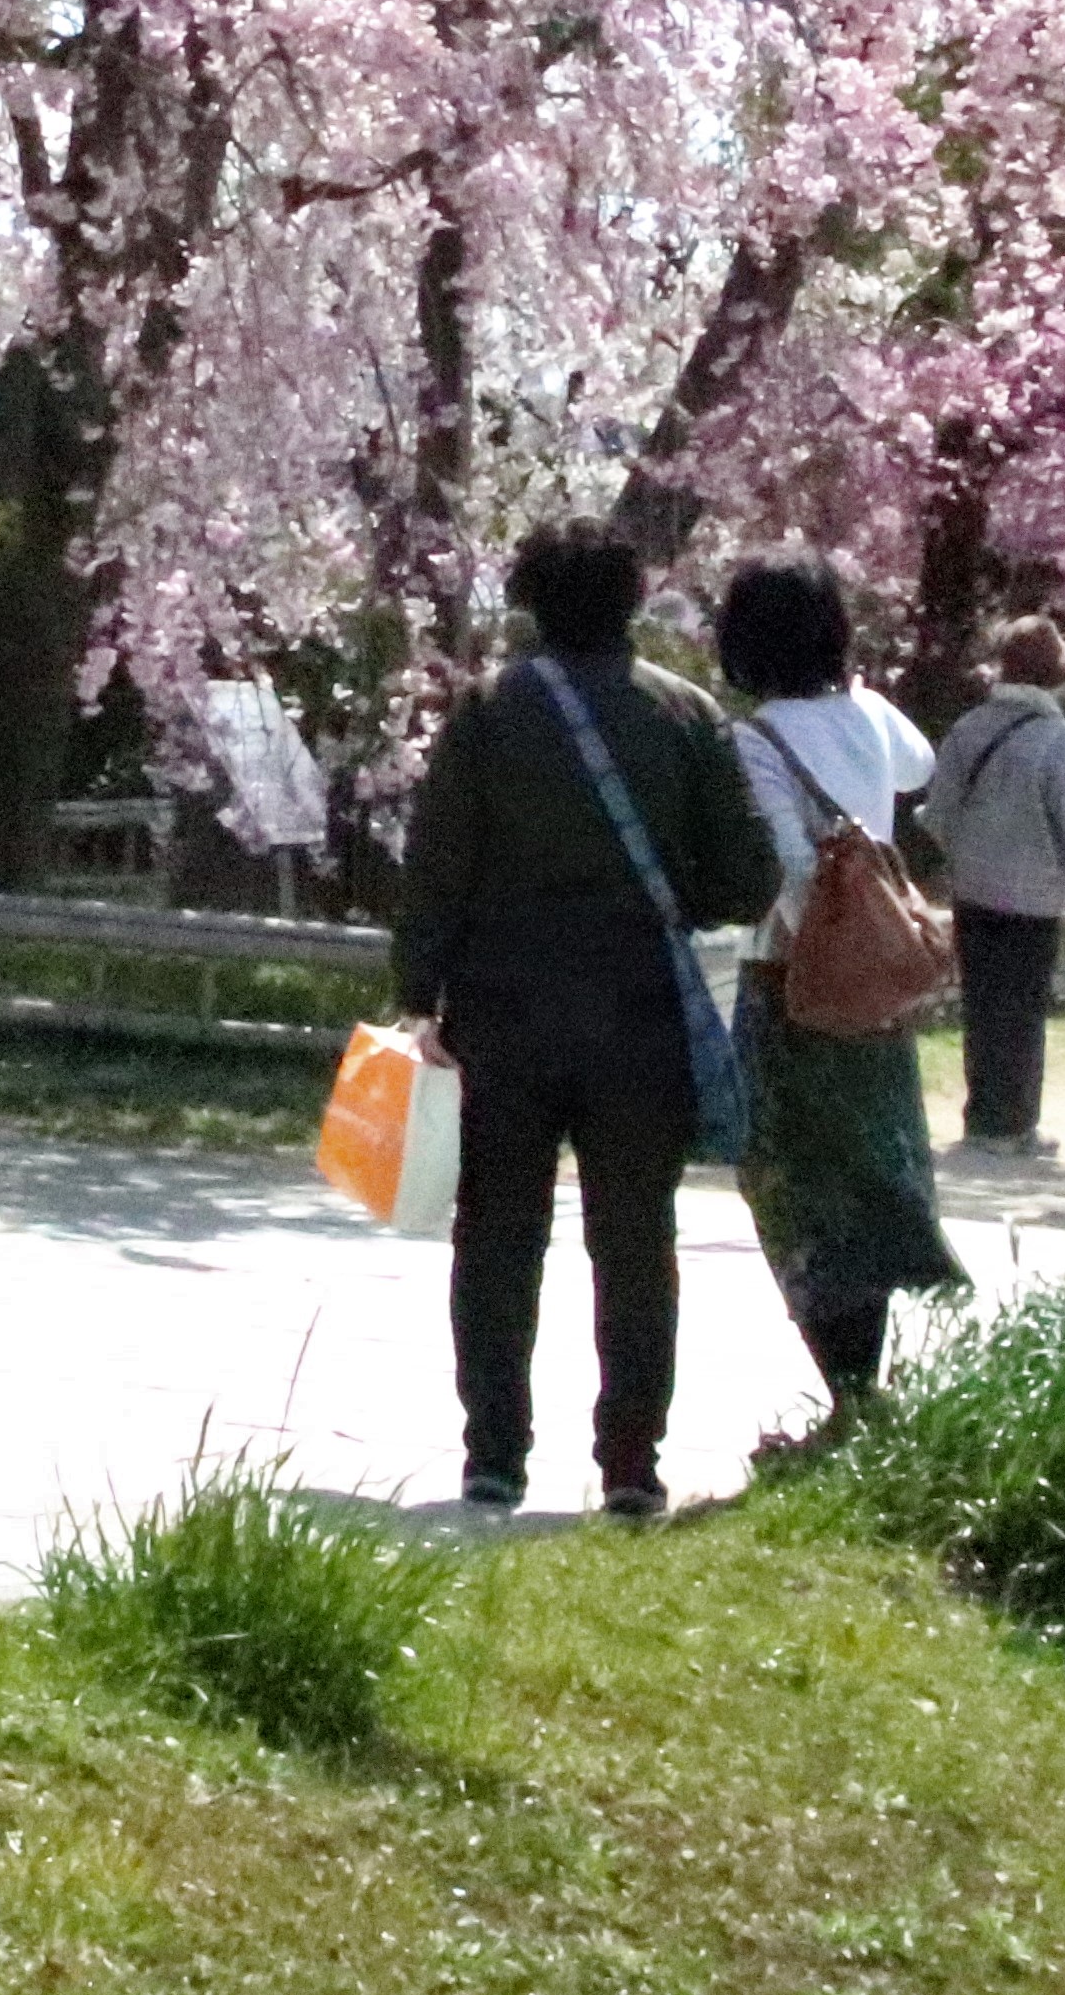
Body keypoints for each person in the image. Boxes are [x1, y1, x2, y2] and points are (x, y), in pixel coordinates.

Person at [397, 517, 780, 1519]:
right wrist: (671, 895)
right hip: (640, 1009)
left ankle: (493, 1454)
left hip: (503, 1007)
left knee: (497, 1233)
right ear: (634, 599)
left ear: (529, 599)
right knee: (636, 1237)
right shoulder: (688, 713)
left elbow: (437, 862)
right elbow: (749, 875)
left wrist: (418, 992)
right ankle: (631, 1463)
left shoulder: (487, 711)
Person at [714, 557, 968, 1431]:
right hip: (877, 992)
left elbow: (790, 865)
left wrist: (818, 950)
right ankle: (861, 1392)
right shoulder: (870, 714)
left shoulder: (755, 739)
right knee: (867, 1178)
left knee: (793, 1186)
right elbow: (921, 763)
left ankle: (852, 1396)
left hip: (793, 988)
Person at [923, 612, 1065, 1157]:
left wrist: (967, 852)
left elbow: (937, 814)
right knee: (1024, 1010)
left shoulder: (968, 729)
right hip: (1033, 899)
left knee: (982, 1006)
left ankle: (983, 1118)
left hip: (973, 891)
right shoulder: (1058, 742)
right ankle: (1016, 1124)